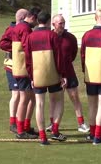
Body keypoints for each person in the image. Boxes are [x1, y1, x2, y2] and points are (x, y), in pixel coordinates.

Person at [25, 12, 67, 145]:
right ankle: (55, 130)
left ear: (37, 21)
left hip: (38, 74)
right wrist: (62, 74)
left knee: (40, 104)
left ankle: (42, 136)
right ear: (49, 22)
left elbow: (28, 59)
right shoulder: (53, 35)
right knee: (59, 100)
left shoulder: (30, 37)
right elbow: (59, 57)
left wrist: (31, 76)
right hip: (53, 74)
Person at [46, 14, 89, 133]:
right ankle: (52, 123)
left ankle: (81, 123)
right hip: (54, 73)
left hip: (69, 71)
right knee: (54, 99)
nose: (63, 25)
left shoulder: (70, 38)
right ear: (53, 24)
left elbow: (74, 54)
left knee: (74, 97)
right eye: (60, 23)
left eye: (64, 23)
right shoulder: (49, 36)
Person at [81, 9, 101, 145]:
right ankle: (98, 136)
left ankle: (92, 133)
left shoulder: (87, 35)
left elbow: (82, 55)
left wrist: (85, 71)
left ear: (95, 18)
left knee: (91, 105)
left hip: (90, 75)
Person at [11, 7, 41, 139]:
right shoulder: (25, 29)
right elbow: (27, 47)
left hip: (19, 67)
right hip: (24, 69)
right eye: (37, 20)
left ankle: (25, 127)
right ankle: (20, 130)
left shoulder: (17, 27)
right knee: (24, 99)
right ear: (33, 18)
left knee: (30, 98)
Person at [0, 9, 27, 133]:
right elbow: (2, 44)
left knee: (23, 95)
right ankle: (12, 123)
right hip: (11, 65)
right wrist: (16, 49)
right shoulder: (11, 29)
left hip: (21, 65)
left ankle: (22, 121)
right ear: (23, 18)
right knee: (16, 94)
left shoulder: (24, 29)